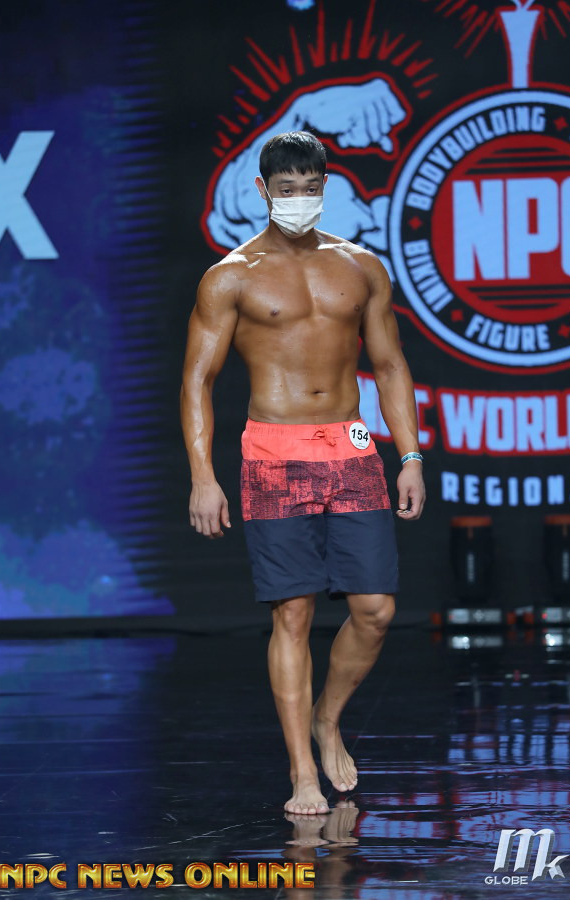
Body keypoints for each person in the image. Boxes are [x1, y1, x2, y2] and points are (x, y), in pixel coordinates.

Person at [180, 131, 426, 816]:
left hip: (351, 448)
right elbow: (197, 380)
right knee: (292, 613)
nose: (298, 200)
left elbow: (391, 366)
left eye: (310, 189)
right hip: (273, 455)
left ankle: (328, 717)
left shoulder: (360, 267)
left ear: (325, 188)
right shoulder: (231, 276)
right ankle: (301, 773)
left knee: (375, 611)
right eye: (285, 189)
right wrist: (203, 475)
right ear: (262, 191)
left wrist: (410, 456)